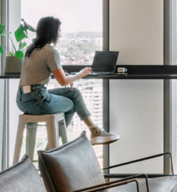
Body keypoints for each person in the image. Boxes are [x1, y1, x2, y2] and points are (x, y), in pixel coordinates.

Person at [16, 16, 119, 145]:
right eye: (59, 30)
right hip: (37, 100)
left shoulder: (31, 48)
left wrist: (59, 73)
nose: (60, 34)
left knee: (74, 93)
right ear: (52, 32)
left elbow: (37, 71)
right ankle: (53, 145)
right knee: (71, 104)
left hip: (22, 99)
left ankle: (94, 130)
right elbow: (63, 82)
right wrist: (81, 74)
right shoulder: (50, 51)